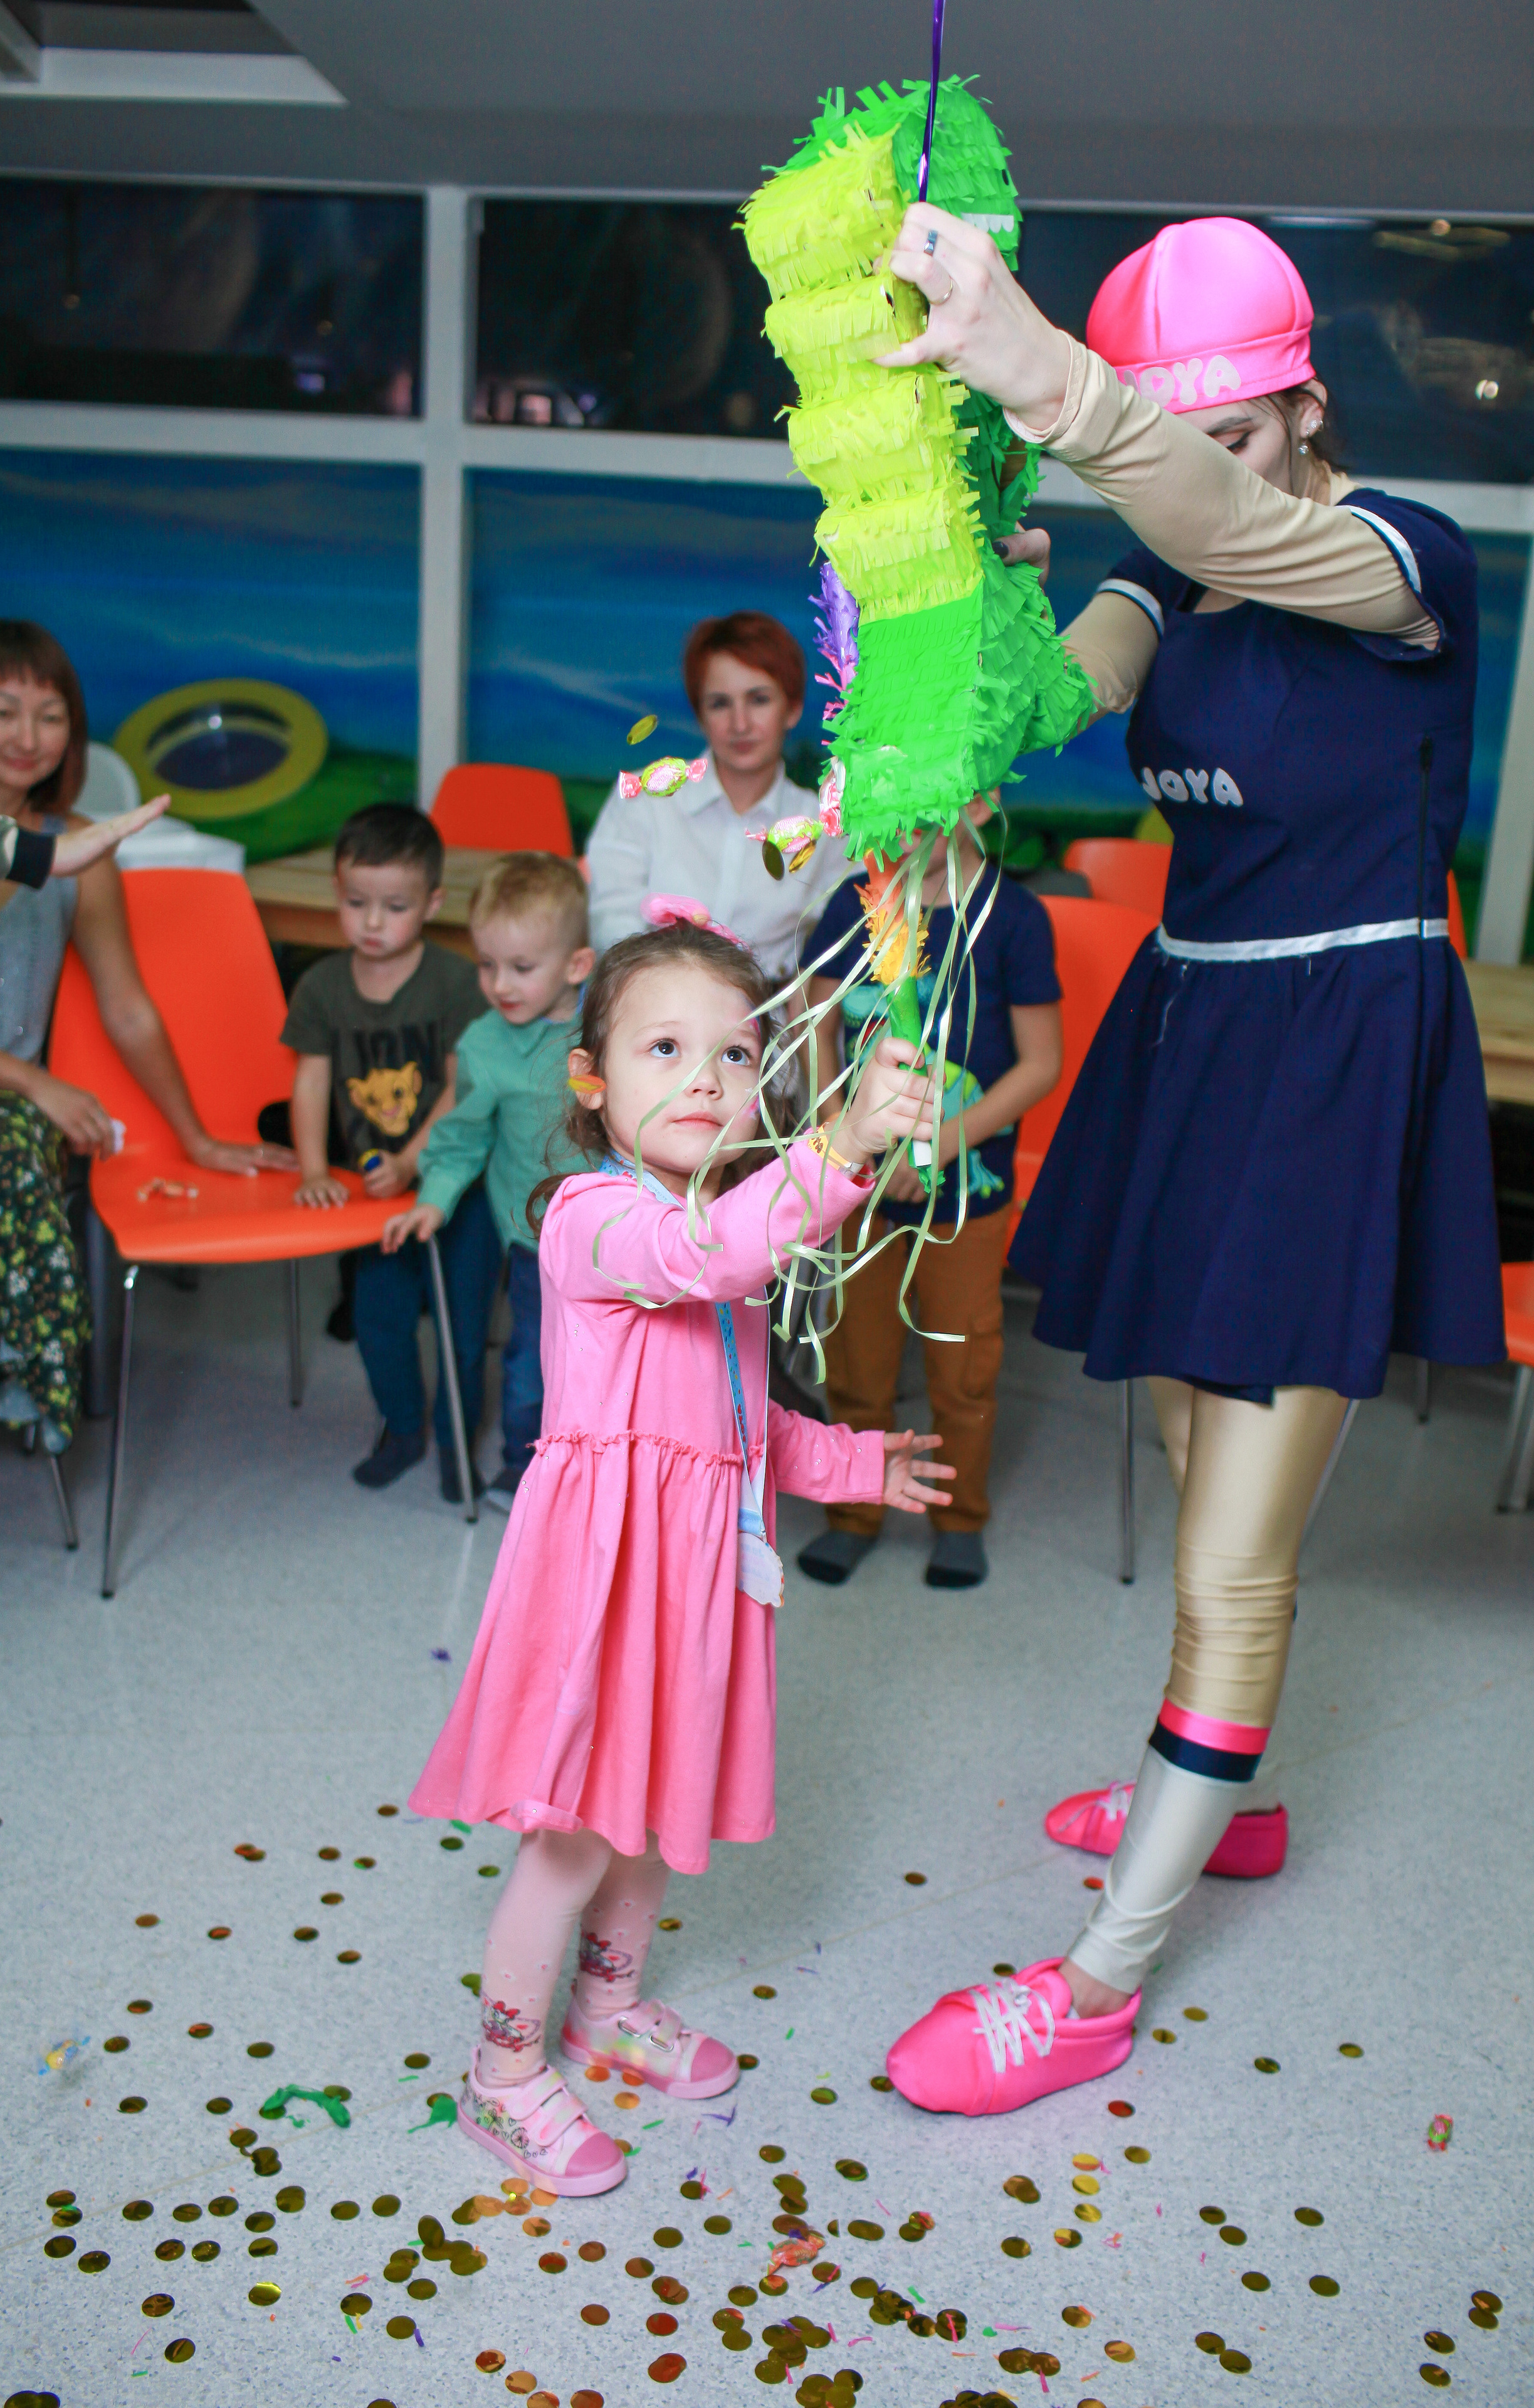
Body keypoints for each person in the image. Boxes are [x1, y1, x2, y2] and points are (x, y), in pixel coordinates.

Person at [873, 214, 1503, 2115]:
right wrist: (966, 575)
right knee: (1171, 1436)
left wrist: (1047, 378)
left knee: (1239, 1554)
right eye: (1173, 437)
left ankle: (1095, 1981)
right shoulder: (1161, 573)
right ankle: (1217, 1797)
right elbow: (1038, 713)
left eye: (1221, 430)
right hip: (1196, 1031)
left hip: (1341, 1049)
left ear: (1306, 401)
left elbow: (1248, 537)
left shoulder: (1406, 559)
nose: (1197, 468)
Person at [408, 919, 952, 2192]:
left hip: (693, 1580)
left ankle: (606, 2011)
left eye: (735, 1051)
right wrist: (839, 1148)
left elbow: (738, 1425)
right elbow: (702, 1258)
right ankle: (499, 2076)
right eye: (666, 1048)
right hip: (602, 1584)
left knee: (653, 1815)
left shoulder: (727, 1230)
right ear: (590, 1079)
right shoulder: (594, 1220)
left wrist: (850, 1463)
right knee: (573, 1836)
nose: (707, 1078)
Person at [0, 619, 295, 1582]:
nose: (27, 733)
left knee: (12, 1158)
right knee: (14, 1146)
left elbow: (129, 1008)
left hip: (0, 1121)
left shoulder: (74, 853)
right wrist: (37, 1079)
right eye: (1, 708)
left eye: (50, 715)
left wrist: (200, 1138)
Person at [796, 795, 1062, 1592]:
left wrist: (939, 1144)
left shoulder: (1013, 918)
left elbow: (1039, 1064)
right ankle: (853, 1511)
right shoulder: (854, 904)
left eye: (918, 812)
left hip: (963, 1199)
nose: (898, 831)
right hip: (860, 1186)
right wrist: (848, 1130)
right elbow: (815, 1029)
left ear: (976, 803)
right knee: (856, 1361)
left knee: (962, 1365)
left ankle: (958, 1517)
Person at [284, 804, 490, 1501]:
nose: (372, 923)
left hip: (460, 1186)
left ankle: (455, 1435)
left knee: (463, 1327)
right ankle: (403, 1428)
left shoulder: (457, 981)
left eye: (394, 906)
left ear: (432, 903)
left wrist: (413, 1162)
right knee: (378, 1318)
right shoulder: (321, 986)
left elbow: (462, 1086)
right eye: (355, 903)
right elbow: (309, 1079)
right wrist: (315, 1169)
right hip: (377, 1199)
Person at [383, 853, 593, 1513]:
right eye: (487, 965)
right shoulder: (482, 1044)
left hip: (615, 1238)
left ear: (576, 967)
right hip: (532, 1240)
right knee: (531, 1360)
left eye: (521, 969)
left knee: (607, 1364)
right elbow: (462, 1135)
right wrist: (433, 1201)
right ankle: (520, 1467)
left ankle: (602, 1472)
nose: (500, 984)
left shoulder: (610, 1032)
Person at [586, 611, 849, 985]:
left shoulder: (826, 825)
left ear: (792, 709)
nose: (740, 724)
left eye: (758, 700)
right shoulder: (645, 797)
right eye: (720, 704)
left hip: (767, 1028)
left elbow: (840, 947)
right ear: (700, 715)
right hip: (648, 1007)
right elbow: (611, 926)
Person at [0, 789, 171, 882]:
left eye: (51, 718)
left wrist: (48, 851)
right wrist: (48, 852)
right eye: (2, 713)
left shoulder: (72, 831)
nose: (28, 741)